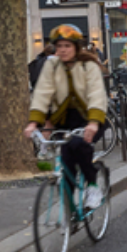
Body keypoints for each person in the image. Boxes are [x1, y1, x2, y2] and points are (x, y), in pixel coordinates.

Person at [23, 24, 107, 209]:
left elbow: (96, 95)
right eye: (59, 46)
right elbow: (42, 93)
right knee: (66, 163)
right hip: (64, 120)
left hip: (89, 118)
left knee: (79, 146)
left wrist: (93, 123)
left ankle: (93, 187)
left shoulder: (88, 66)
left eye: (67, 46)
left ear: (76, 47)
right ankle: (68, 214)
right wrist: (34, 122)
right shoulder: (51, 65)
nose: (62, 50)